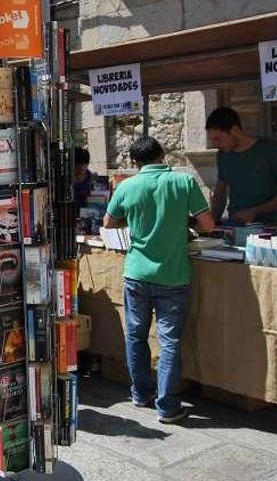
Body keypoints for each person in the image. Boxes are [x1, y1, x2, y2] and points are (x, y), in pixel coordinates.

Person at [103, 136, 214, 424]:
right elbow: (208, 224)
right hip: (173, 276)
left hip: (137, 273)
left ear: (135, 162)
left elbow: (108, 222)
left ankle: (140, 393)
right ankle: (167, 406)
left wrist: (135, 219)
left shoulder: (127, 186)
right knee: (169, 341)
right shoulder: (184, 182)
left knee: (136, 336)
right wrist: (181, 221)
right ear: (162, 155)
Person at [206, 107, 277, 225]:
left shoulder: (273, 149)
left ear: (235, 130)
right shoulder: (223, 155)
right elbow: (220, 192)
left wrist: (254, 211)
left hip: (268, 229)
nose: (215, 144)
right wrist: (212, 224)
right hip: (235, 227)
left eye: (217, 139)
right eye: (212, 140)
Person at [73, 147, 93, 212]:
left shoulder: (89, 177)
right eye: (78, 168)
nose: (82, 170)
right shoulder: (66, 178)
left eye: (85, 166)